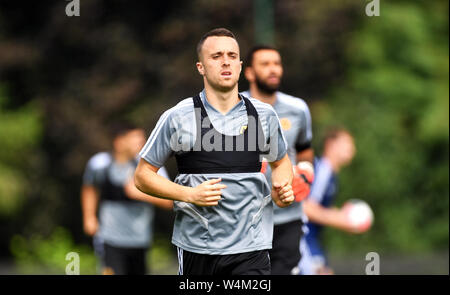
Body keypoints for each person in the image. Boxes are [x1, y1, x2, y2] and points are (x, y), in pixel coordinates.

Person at [134, 28, 295, 275]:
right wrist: (189, 194)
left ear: (241, 66)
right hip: (197, 247)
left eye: (232, 55)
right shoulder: (179, 117)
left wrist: (282, 186)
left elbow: (281, 163)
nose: (226, 61)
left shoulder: (264, 115)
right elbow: (143, 176)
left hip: (251, 248)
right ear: (200, 67)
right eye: (216, 56)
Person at [242, 45, 314, 274]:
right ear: (250, 73)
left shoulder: (298, 109)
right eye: (265, 64)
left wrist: (305, 171)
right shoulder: (233, 109)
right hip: (246, 219)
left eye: (277, 63)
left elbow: (305, 149)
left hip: (288, 217)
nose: (273, 69)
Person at [81, 122, 173, 275]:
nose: (142, 142)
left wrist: (140, 193)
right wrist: (89, 217)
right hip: (109, 239)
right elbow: (89, 187)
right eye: (136, 138)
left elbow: (170, 201)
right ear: (119, 142)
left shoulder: (151, 168)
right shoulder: (99, 164)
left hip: (140, 240)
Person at [297, 128, 360, 275]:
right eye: (347, 143)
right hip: (302, 239)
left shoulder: (330, 174)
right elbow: (304, 207)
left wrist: (335, 213)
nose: (352, 148)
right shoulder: (324, 170)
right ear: (330, 144)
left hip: (311, 240)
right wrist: (341, 220)